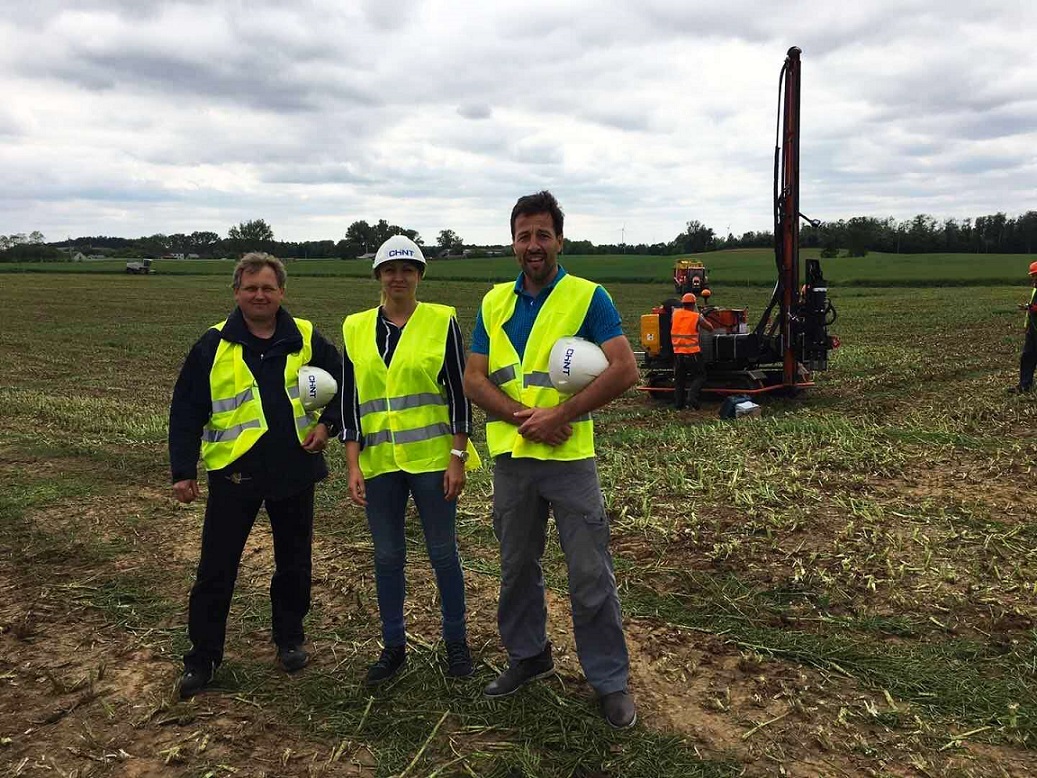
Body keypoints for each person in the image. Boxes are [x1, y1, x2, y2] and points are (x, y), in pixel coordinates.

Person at [463, 191, 641, 729]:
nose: (533, 245)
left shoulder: (589, 297)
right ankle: (530, 656)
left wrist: (563, 412)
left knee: (589, 573)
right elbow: (474, 377)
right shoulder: (494, 302)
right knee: (517, 569)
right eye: (524, 236)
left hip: (569, 459)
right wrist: (524, 414)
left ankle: (609, 680)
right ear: (513, 243)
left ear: (559, 240)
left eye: (543, 234)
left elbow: (624, 368)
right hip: (513, 459)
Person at [169, 252, 342, 699]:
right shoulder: (212, 345)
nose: (260, 295)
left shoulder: (304, 335)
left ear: (282, 291)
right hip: (234, 475)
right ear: (237, 293)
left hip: (294, 471)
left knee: (294, 565)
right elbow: (186, 409)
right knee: (216, 570)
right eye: (251, 288)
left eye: (268, 288)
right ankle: (203, 658)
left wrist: (327, 425)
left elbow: (348, 382)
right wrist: (183, 470)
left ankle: (289, 639)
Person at [340, 235, 479, 685]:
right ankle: (393, 647)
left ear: (419, 276)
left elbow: (460, 394)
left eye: (408, 269)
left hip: (432, 461)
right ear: (378, 276)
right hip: (380, 464)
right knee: (387, 557)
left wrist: (457, 457)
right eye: (390, 269)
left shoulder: (441, 321)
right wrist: (353, 463)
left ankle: (455, 643)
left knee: (443, 554)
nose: (398, 277)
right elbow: (350, 401)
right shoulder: (355, 327)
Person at [670, 292, 715, 410]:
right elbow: (710, 328)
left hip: (678, 353)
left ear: (683, 303)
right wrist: (701, 316)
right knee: (700, 376)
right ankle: (691, 399)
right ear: (694, 304)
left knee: (680, 380)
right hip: (692, 353)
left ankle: (678, 405)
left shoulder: (675, 314)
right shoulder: (696, 316)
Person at [1009, 260, 1037, 394]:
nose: (1032, 278)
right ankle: (1025, 385)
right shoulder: (1035, 289)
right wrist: (1026, 325)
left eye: (1034, 275)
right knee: (1027, 356)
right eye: (1032, 275)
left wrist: (1030, 307)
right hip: (1033, 330)